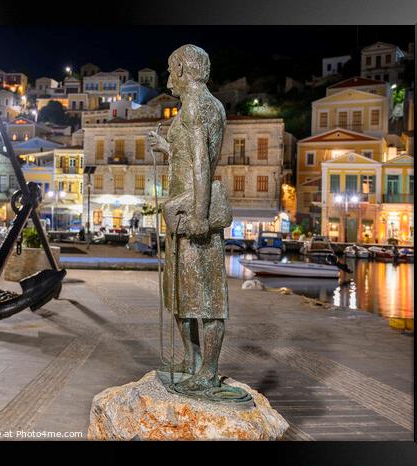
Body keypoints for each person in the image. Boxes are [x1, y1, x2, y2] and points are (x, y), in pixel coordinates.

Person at [148, 44, 228, 392]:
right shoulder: (196, 108)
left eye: (170, 70)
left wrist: (198, 215)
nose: (168, 79)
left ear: (183, 70)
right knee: (180, 295)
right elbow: (188, 155)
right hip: (180, 212)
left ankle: (208, 371)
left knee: (205, 298)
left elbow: (202, 164)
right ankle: (192, 360)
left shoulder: (197, 106)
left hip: (193, 215)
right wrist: (167, 148)